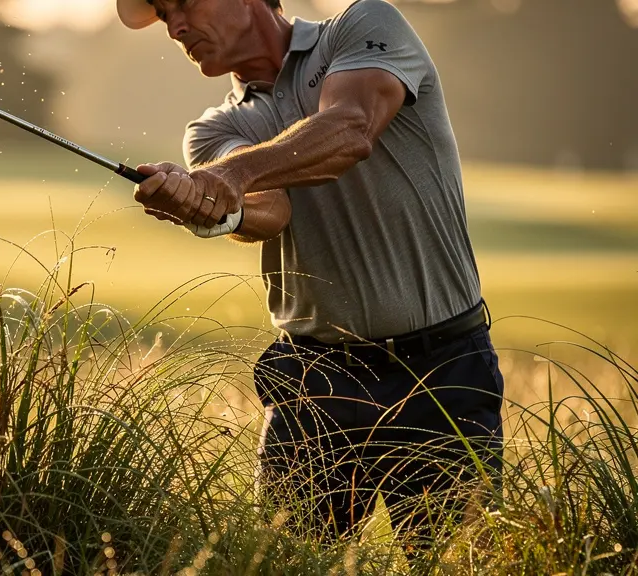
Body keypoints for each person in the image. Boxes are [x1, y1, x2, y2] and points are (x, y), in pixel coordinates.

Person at [115, 0, 506, 551]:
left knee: (458, 559)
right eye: (163, 13)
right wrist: (208, 201)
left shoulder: (364, 26)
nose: (174, 26)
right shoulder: (215, 130)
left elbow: (351, 129)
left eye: (184, 1)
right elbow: (271, 209)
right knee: (287, 561)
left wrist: (228, 177)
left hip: (440, 369)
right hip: (314, 379)